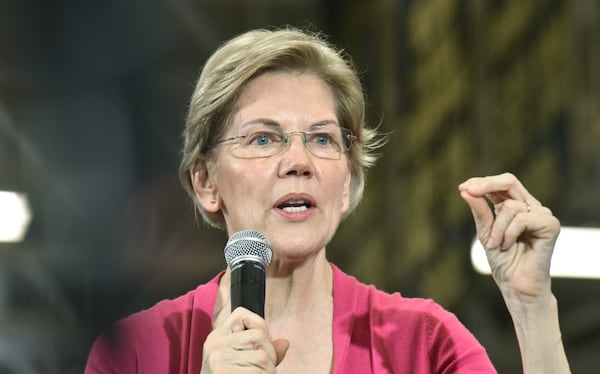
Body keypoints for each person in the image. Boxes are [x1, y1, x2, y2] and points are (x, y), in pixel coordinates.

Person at [85, 27, 571, 373]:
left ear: (346, 184)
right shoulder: (132, 354)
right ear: (206, 181)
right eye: (262, 139)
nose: (299, 161)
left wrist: (532, 308)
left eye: (321, 139)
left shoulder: (425, 344)